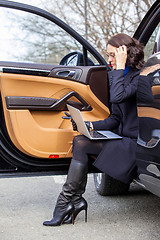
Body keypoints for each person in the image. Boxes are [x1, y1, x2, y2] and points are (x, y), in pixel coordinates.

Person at [43, 33, 144, 226]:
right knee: (80, 139)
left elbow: (118, 97)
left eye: (113, 55)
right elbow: (114, 118)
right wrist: (89, 125)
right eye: (108, 56)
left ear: (126, 54)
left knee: (81, 143)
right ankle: (70, 201)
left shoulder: (139, 78)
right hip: (122, 139)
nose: (109, 60)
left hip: (135, 145)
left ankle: (67, 203)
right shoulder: (119, 77)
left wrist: (120, 68)